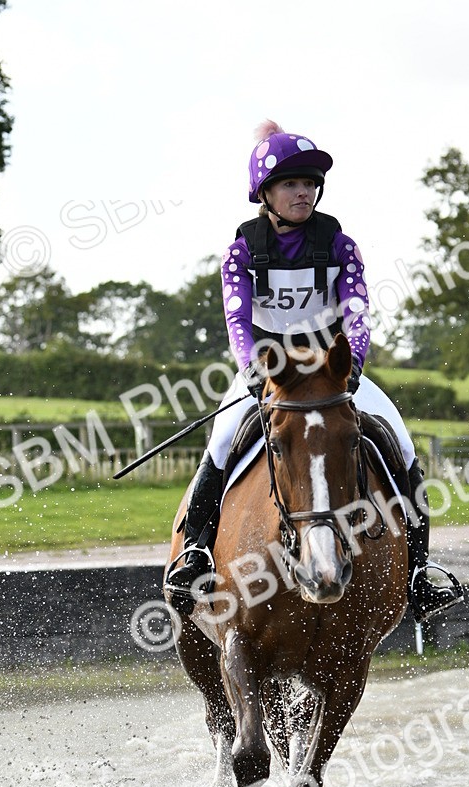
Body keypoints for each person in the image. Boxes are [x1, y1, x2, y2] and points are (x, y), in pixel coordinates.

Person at [166, 119, 450, 621]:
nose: (304, 192)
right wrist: (254, 370)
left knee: (401, 445)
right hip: (270, 368)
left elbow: (357, 313)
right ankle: (195, 553)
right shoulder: (242, 251)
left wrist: (354, 363)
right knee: (221, 443)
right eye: (291, 184)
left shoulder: (340, 246)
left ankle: (419, 572)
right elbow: (238, 320)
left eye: (310, 184)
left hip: (333, 369)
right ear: (266, 193)